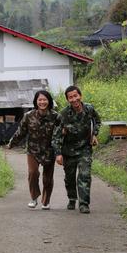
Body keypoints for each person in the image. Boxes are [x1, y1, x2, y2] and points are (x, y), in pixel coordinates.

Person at [7, 90, 61, 210]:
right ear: (36, 102)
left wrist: (60, 151)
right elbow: (21, 132)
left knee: (47, 178)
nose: (42, 102)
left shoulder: (56, 116)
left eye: (45, 99)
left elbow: (61, 133)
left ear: (49, 101)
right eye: (40, 100)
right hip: (33, 150)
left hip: (49, 151)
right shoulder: (28, 116)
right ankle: (34, 197)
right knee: (33, 173)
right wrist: (12, 143)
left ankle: (46, 201)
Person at [52, 85, 101, 214]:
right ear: (67, 100)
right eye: (70, 97)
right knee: (70, 178)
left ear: (80, 96)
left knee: (84, 175)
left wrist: (94, 134)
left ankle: (84, 204)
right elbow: (56, 135)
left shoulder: (89, 109)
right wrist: (58, 154)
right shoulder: (63, 114)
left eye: (75, 96)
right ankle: (72, 198)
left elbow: (97, 120)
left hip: (85, 148)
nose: (74, 99)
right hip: (68, 150)